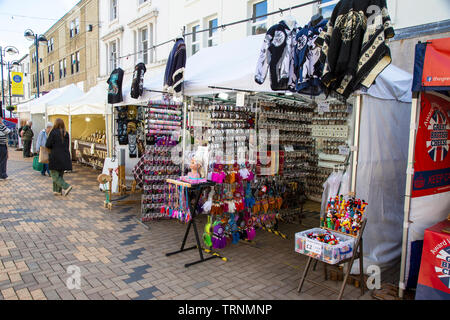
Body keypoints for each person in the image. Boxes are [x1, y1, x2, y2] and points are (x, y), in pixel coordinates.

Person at [45, 118, 73, 196]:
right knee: (60, 174)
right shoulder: (66, 133)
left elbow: (48, 144)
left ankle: (66, 186)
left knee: (54, 175)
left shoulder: (53, 132)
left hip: (55, 157)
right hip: (64, 157)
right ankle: (57, 191)